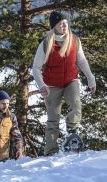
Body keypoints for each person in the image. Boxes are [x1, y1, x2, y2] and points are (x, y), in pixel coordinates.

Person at [31, 11, 96, 156]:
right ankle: (51, 151)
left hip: (70, 80)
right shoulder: (46, 43)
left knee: (75, 102)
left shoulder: (74, 40)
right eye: (61, 24)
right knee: (53, 117)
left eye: (66, 23)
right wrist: (42, 85)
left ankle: (72, 132)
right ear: (54, 26)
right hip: (51, 85)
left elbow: (82, 61)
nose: (64, 26)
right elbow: (35, 68)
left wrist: (91, 78)